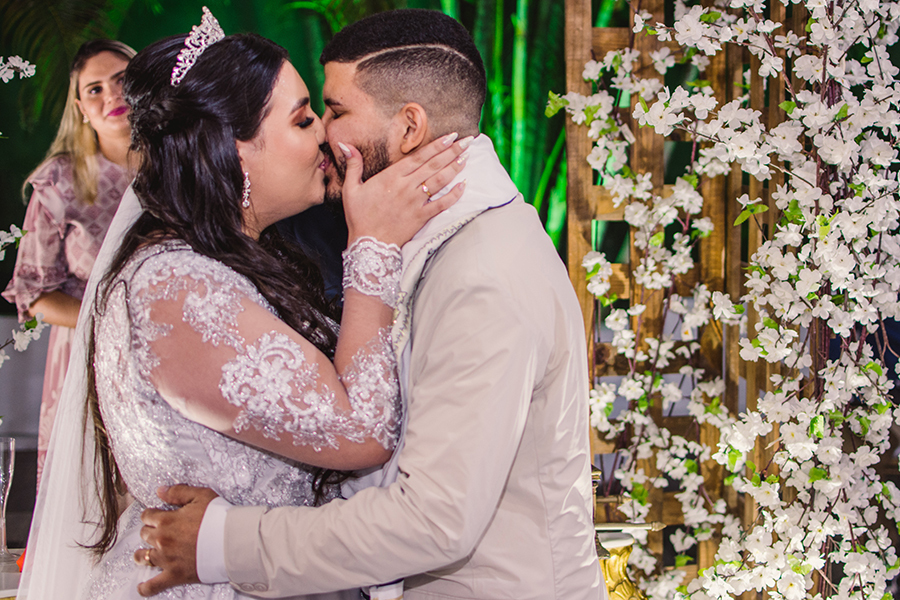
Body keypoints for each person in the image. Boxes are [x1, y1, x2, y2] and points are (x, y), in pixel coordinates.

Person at [138, 9, 604, 600]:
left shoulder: (484, 271)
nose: (324, 137)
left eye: (333, 112)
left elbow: (434, 520)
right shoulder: (426, 237)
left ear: (409, 128)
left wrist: (223, 542)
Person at [16, 10, 467, 600]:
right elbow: (361, 432)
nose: (326, 138)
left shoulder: (224, 265)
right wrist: (373, 246)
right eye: (305, 120)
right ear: (234, 151)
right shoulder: (176, 289)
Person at [2, 39, 136, 488]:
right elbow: (35, 295)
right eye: (94, 89)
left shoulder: (183, 165)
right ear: (81, 108)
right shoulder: (59, 182)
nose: (111, 95)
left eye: (121, 80)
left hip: (176, 347)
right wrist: (109, 321)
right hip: (91, 354)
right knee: (97, 490)